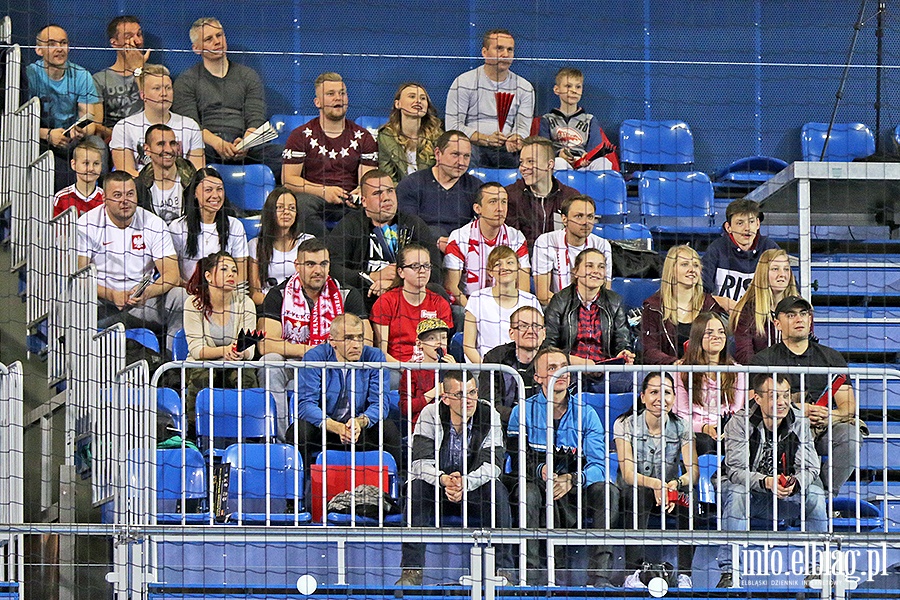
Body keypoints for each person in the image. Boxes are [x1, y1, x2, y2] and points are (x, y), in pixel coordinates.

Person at [507, 347, 619, 587]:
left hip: (575, 486)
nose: (562, 373)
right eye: (552, 368)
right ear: (537, 377)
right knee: (529, 493)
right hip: (536, 483)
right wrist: (541, 472)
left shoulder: (587, 414)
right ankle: (532, 577)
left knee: (608, 491)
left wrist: (573, 479)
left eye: (564, 367)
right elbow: (515, 462)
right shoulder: (522, 411)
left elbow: (599, 465)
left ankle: (600, 578)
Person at [396, 370, 513, 586]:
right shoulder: (430, 414)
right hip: (438, 488)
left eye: (472, 392)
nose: (468, 400)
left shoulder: (489, 415)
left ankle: (503, 570)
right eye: (460, 394)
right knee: (416, 489)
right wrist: (444, 480)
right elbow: (420, 463)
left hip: (474, 488)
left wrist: (465, 483)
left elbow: (493, 465)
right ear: (445, 398)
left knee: (497, 491)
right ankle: (412, 571)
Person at [715, 372, 827, 588]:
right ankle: (730, 573)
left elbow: (811, 467)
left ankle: (816, 572)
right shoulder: (740, 421)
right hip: (750, 496)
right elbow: (735, 470)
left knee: (815, 494)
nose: (783, 402)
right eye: (775, 396)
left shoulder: (799, 421)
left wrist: (795, 483)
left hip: (785, 497)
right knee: (738, 491)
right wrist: (766, 482)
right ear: (757, 398)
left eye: (786, 395)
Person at [257, 237, 367, 439]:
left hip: (336, 365)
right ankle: (283, 439)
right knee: (269, 362)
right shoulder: (278, 294)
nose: (318, 270)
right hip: (295, 363)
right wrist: (311, 351)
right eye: (310, 264)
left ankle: (349, 430)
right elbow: (266, 344)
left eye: (323, 264)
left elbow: (366, 342)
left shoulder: (347, 294)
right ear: (297, 266)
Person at [750, 296, 862, 493]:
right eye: (791, 315)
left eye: (803, 314)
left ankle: (825, 494)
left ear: (810, 320)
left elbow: (849, 407)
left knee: (851, 437)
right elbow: (754, 401)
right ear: (777, 323)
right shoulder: (763, 359)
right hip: (782, 430)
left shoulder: (831, 357)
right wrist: (797, 410)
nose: (799, 319)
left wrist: (829, 416)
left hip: (823, 429)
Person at [76, 171, 182, 349]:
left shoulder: (153, 223)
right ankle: (74, 365)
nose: (125, 200)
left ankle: (172, 361)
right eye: (117, 195)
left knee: (181, 297)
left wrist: (147, 292)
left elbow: (172, 274)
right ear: (104, 198)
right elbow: (80, 277)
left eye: (130, 194)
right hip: (101, 302)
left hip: (141, 303)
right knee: (65, 300)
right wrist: (111, 294)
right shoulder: (86, 224)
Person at [289, 313, 402, 472]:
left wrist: (359, 422)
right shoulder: (315, 357)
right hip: (326, 429)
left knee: (388, 430)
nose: (356, 345)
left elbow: (380, 404)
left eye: (360, 337)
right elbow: (306, 405)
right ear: (332, 341)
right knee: (298, 432)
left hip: (358, 429)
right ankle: (299, 491)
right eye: (349, 338)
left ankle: (399, 489)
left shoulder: (374, 357)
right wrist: (336, 427)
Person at [615, 372, 697, 583]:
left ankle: (685, 575)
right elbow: (628, 474)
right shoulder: (625, 424)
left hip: (669, 490)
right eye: (653, 392)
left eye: (667, 393)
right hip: (637, 487)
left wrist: (676, 484)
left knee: (691, 499)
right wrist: (655, 485)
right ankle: (630, 574)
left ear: (674, 397)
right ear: (643, 397)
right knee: (638, 495)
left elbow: (693, 471)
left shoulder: (683, 426)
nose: (661, 398)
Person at [172, 17, 282, 176]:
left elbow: (255, 116)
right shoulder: (186, 81)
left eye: (220, 35)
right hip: (207, 146)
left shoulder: (248, 75)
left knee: (285, 156)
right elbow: (190, 124)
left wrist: (245, 144)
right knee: (189, 153)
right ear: (196, 48)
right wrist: (218, 143)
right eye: (209, 39)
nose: (217, 42)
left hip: (245, 145)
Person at [325, 169, 440, 312]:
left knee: (437, 291)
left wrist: (396, 283)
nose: (386, 198)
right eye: (377, 193)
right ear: (364, 201)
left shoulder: (413, 224)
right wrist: (372, 277)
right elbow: (333, 269)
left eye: (390, 191)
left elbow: (435, 270)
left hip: (407, 296)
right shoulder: (350, 226)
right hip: (367, 295)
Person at [281, 72, 378, 237]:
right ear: (317, 102)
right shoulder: (300, 135)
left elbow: (368, 180)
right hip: (314, 197)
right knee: (300, 205)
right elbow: (288, 180)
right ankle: (327, 253)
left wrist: (361, 190)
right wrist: (324, 191)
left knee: (371, 207)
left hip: (349, 202)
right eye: (330, 94)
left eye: (342, 93)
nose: (338, 98)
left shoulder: (364, 137)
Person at [543, 248, 634, 392]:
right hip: (569, 371)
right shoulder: (560, 301)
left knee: (644, 380)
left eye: (601, 267)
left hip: (605, 373)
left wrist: (624, 353)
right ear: (576, 271)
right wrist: (578, 362)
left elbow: (623, 341)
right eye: (589, 266)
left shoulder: (615, 301)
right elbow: (548, 347)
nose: (596, 271)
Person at [182, 251, 258, 423]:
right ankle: (194, 429)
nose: (231, 274)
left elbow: (250, 349)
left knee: (247, 376)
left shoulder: (246, 303)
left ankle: (252, 429)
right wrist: (225, 350)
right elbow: (196, 350)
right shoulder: (194, 304)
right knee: (201, 375)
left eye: (234, 270)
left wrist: (240, 352)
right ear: (208, 276)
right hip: (203, 363)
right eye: (224, 269)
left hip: (235, 363)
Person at [27, 25, 103, 189]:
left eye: (63, 43)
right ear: (39, 50)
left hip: (72, 139)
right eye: (52, 44)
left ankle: (96, 198)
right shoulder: (30, 75)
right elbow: (19, 122)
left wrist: (81, 131)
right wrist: (47, 134)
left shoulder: (82, 76)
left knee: (97, 144)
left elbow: (89, 119)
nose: (59, 49)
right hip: (39, 138)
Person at [445, 29, 534, 168]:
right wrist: (485, 139)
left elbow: (523, 127)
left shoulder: (524, 87)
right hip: (472, 146)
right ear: (484, 52)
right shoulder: (463, 82)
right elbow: (453, 126)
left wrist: (515, 138)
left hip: (506, 149)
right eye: (499, 48)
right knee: (462, 153)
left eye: (510, 50)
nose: (505, 54)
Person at [444, 182, 530, 308]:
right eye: (493, 202)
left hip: (508, 305)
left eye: (504, 202)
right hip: (469, 306)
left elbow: (524, 286)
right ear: (477, 208)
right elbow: (451, 286)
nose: (500, 208)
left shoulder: (516, 238)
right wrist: (475, 312)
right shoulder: (459, 238)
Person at [110, 64, 205, 177]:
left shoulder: (190, 126)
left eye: (168, 88)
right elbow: (126, 173)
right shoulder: (124, 127)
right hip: (142, 190)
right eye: (157, 88)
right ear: (143, 95)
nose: (164, 93)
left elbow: (197, 173)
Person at [674, 313, 746, 455]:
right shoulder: (681, 369)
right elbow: (681, 415)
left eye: (721, 332)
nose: (717, 336)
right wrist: (704, 427)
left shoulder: (737, 370)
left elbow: (737, 410)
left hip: (726, 429)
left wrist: (726, 428)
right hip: (694, 430)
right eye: (709, 332)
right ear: (698, 337)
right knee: (705, 443)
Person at [642, 245, 726, 365]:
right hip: (668, 374)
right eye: (685, 264)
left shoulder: (710, 306)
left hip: (704, 373)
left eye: (696, 265)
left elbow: (720, 346)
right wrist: (675, 364)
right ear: (671, 270)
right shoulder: (654, 307)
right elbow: (649, 351)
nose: (692, 269)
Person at [371, 243, 453, 362]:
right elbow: (382, 352)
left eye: (426, 265)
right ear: (401, 272)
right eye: (415, 266)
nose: (422, 271)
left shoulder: (440, 303)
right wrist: (406, 369)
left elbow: (443, 349)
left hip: (430, 366)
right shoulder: (386, 302)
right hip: (397, 367)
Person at [169, 167, 249, 284]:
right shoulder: (177, 227)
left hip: (224, 294)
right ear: (195, 193)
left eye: (219, 189)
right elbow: (173, 275)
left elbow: (241, 276)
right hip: (187, 292)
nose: (215, 195)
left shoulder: (235, 226)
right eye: (208, 190)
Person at [396, 130, 482, 239]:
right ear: (437, 154)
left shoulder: (476, 188)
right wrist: (436, 240)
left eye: (466, 156)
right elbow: (408, 228)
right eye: (455, 154)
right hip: (424, 248)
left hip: (462, 249)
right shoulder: (411, 185)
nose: (461, 162)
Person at [463, 245, 541, 363]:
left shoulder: (531, 301)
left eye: (510, 262)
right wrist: (487, 370)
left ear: (518, 267)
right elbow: (468, 346)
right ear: (490, 271)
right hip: (486, 369)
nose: (504, 267)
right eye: (498, 264)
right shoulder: (477, 299)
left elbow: (539, 340)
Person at [532, 195, 612, 307]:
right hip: (556, 310)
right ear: (564, 219)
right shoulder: (546, 242)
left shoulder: (602, 245)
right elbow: (543, 295)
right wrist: (571, 311)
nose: (585, 222)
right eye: (579, 216)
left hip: (592, 311)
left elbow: (605, 292)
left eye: (590, 217)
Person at [702, 199, 780, 307]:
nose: (747, 228)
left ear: (757, 224)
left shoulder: (770, 248)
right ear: (728, 227)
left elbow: (789, 287)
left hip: (760, 318)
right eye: (740, 223)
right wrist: (720, 301)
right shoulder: (716, 249)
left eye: (751, 222)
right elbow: (701, 291)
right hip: (723, 317)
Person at [505, 136, 580, 248]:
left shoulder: (570, 198)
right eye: (521, 162)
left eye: (530, 161)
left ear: (549, 165)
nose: (523, 167)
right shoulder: (510, 195)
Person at [539, 68, 619, 172]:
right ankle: (561, 188)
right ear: (556, 89)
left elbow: (595, 148)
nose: (574, 90)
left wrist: (588, 158)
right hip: (560, 162)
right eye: (568, 86)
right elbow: (544, 149)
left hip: (583, 164)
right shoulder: (548, 119)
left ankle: (594, 188)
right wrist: (558, 154)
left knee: (604, 163)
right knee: (558, 163)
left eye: (578, 87)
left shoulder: (589, 119)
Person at [479, 306, 545, 428]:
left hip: (544, 426)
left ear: (544, 333)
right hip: (503, 426)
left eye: (536, 326)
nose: (530, 331)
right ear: (511, 333)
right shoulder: (495, 358)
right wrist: (521, 418)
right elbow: (488, 402)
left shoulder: (552, 360)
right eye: (523, 326)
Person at [730, 249, 799, 364]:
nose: (782, 274)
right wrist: (766, 377)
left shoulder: (801, 309)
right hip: (759, 377)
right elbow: (745, 354)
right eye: (775, 269)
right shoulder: (747, 311)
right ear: (763, 273)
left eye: (786, 269)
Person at [248, 187, 314, 305]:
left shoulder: (307, 242)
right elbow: (255, 295)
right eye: (280, 207)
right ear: (270, 211)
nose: (287, 212)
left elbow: (314, 287)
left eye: (292, 208)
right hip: (269, 306)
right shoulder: (255, 245)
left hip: (302, 305)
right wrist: (281, 305)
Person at [92, 16, 148, 141]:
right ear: (114, 43)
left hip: (148, 135)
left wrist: (138, 70)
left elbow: (158, 108)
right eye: (129, 37)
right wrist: (121, 134)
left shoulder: (155, 73)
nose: (137, 41)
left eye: (139, 35)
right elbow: (96, 125)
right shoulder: (100, 79)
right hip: (115, 138)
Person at [377, 82, 443, 183]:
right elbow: (388, 180)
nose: (418, 101)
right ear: (397, 104)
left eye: (423, 98)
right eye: (412, 96)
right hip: (398, 194)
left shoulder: (438, 136)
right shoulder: (386, 136)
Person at [399, 318, 456, 428]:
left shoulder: (453, 369)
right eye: (432, 338)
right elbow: (405, 408)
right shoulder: (412, 371)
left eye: (443, 338)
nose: (439, 342)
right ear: (419, 344)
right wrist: (434, 392)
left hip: (451, 427)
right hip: (422, 428)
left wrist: (454, 373)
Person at [135, 124, 197, 224]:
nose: (168, 150)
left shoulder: (196, 182)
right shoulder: (138, 188)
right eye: (161, 144)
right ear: (147, 150)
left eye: (172, 143)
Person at [53, 140, 104, 217]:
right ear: (73, 164)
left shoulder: (106, 198)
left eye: (96, 164)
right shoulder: (61, 197)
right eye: (86, 163)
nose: (91, 168)